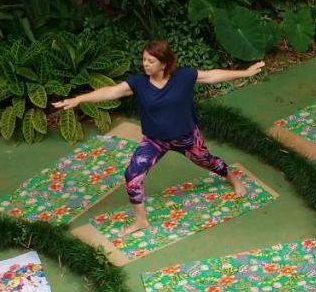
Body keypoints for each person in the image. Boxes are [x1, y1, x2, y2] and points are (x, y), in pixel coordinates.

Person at [53, 41, 265, 236]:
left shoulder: (183, 77)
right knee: (132, 175)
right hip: (155, 141)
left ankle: (233, 178)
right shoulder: (138, 83)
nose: (145, 64)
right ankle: (140, 220)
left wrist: (245, 73)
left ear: (163, 63)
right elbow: (111, 91)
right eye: (144, 59)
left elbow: (212, 76)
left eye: (150, 61)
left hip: (186, 138)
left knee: (208, 161)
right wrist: (79, 99)